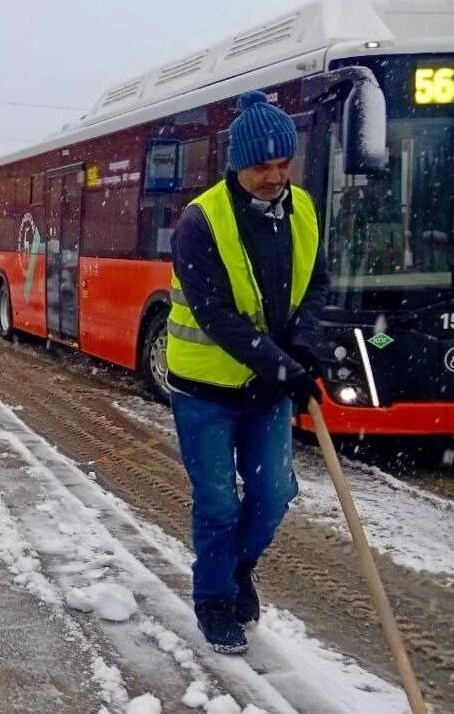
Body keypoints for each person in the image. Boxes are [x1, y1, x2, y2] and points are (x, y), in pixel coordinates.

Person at [166, 90, 330, 654]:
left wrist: (303, 345)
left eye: (284, 164)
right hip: (205, 391)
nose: (275, 177)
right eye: (263, 166)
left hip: (267, 387)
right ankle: (214, 600)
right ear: (238, 162)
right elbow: (215, 315)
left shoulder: (302, 209)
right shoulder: (201, 221)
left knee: (274, 493)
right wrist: (285, 368)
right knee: (218, 502)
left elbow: (316, 286)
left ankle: (237, 569)